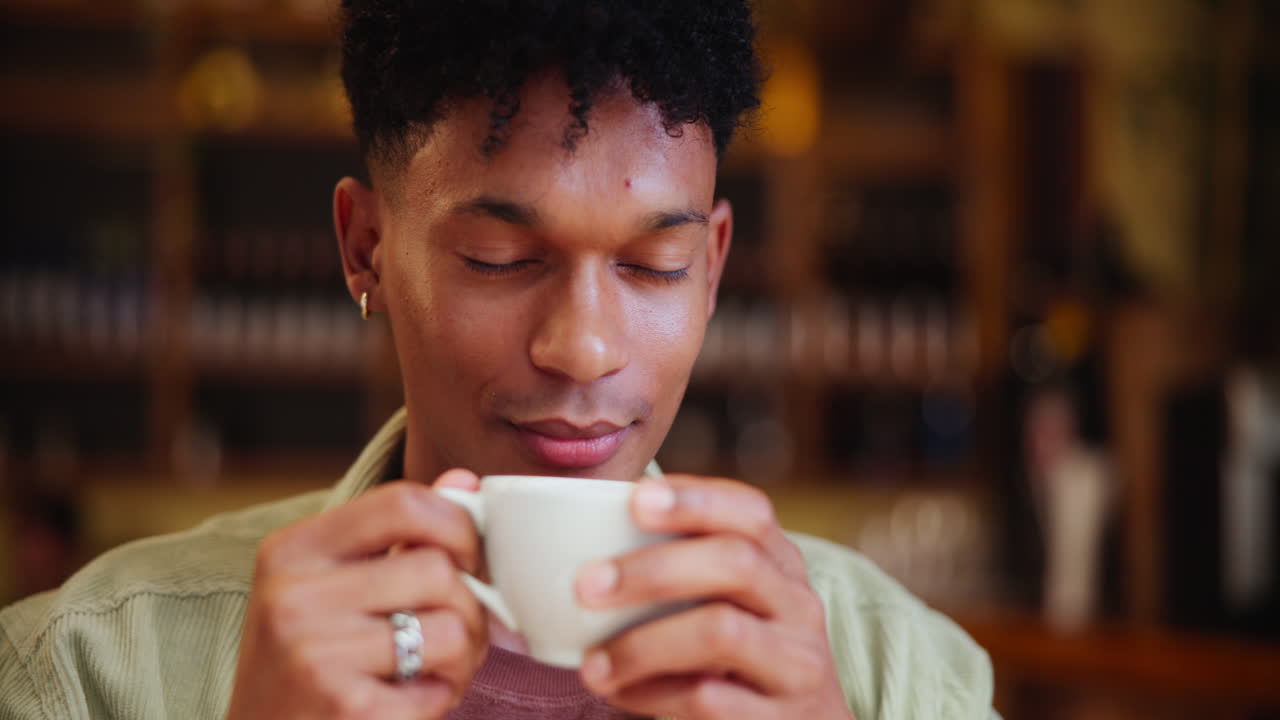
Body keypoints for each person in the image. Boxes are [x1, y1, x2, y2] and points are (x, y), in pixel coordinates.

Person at [0, 2, 995, 718]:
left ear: (715, 266)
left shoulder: (889, 669)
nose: (584, 347)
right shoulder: (87, 671)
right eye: (501, 259)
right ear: (366, 250)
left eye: (655, 265)